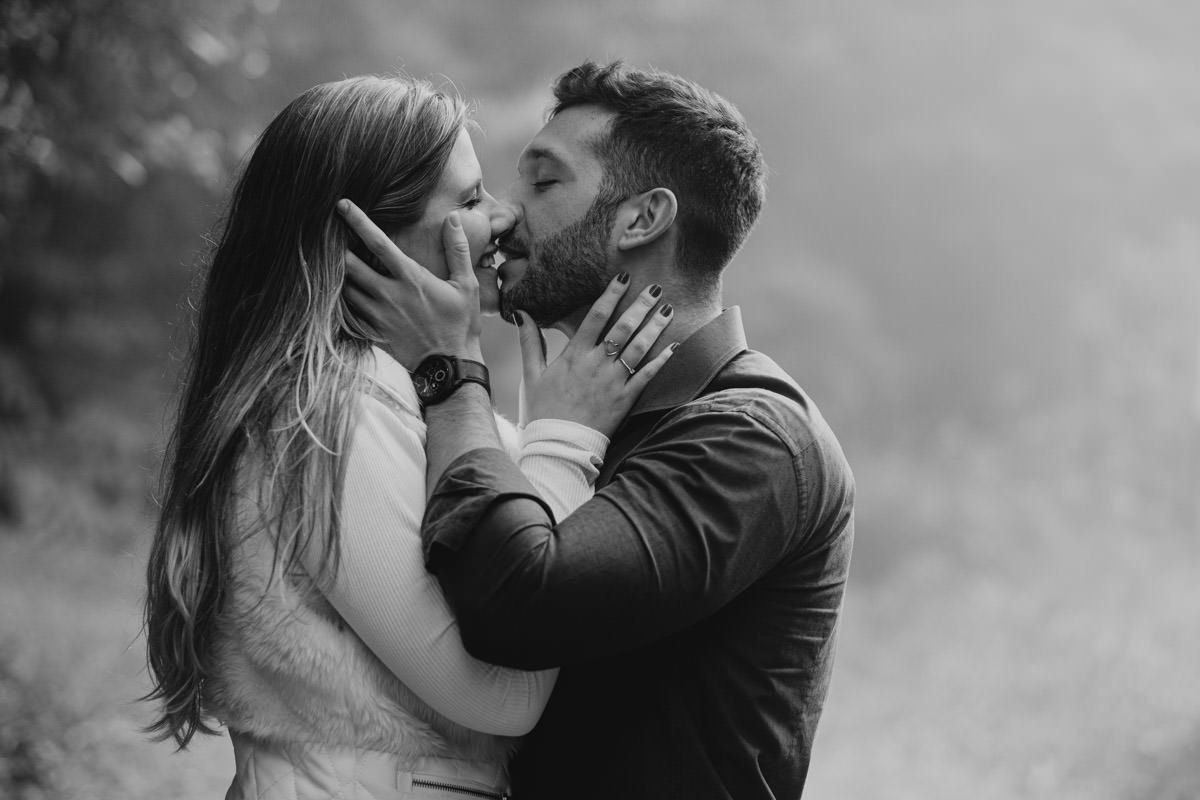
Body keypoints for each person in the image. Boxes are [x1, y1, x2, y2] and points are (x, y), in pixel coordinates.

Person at [142, 75, 675, 800]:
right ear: (366, 241)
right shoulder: (330, 411)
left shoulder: (389, 395)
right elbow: (503, 697)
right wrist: (564, 438)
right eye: (467, 201)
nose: (505, 218)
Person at [340, 61, 856, 799]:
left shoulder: (754, 437)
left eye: (544, 183)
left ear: (643, 218)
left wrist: (449, 369)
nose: (507, 215)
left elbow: (521, 608)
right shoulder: (587, 417)